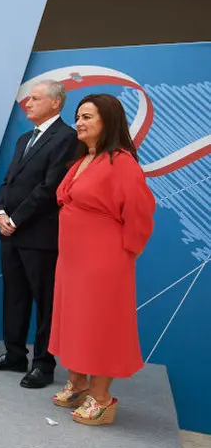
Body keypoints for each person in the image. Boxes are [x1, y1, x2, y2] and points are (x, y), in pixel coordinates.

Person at [48, 94, 155, 426]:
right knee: (75, 319)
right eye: (78, 116)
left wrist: (125, 254)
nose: (79, 122)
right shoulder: (84, 159)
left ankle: (102, 398)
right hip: (73, 259)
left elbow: (140, 212)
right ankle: (78, 384)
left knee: (100, 325)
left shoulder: (121, 162)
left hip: (104, 261)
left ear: (108, 121)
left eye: (88, 117)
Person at [0, 80, 77, 389]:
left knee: (44, 302)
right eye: (28, 99)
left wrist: (17, 218)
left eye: (35, 99)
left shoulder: (67, 138)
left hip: (40, 234)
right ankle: (14, 354)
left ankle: (43, 365)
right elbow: (8, 182)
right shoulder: (24, 138)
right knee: (14, 296)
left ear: (55, 104)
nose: (28, 103)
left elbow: (51, 187)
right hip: (11, 232)